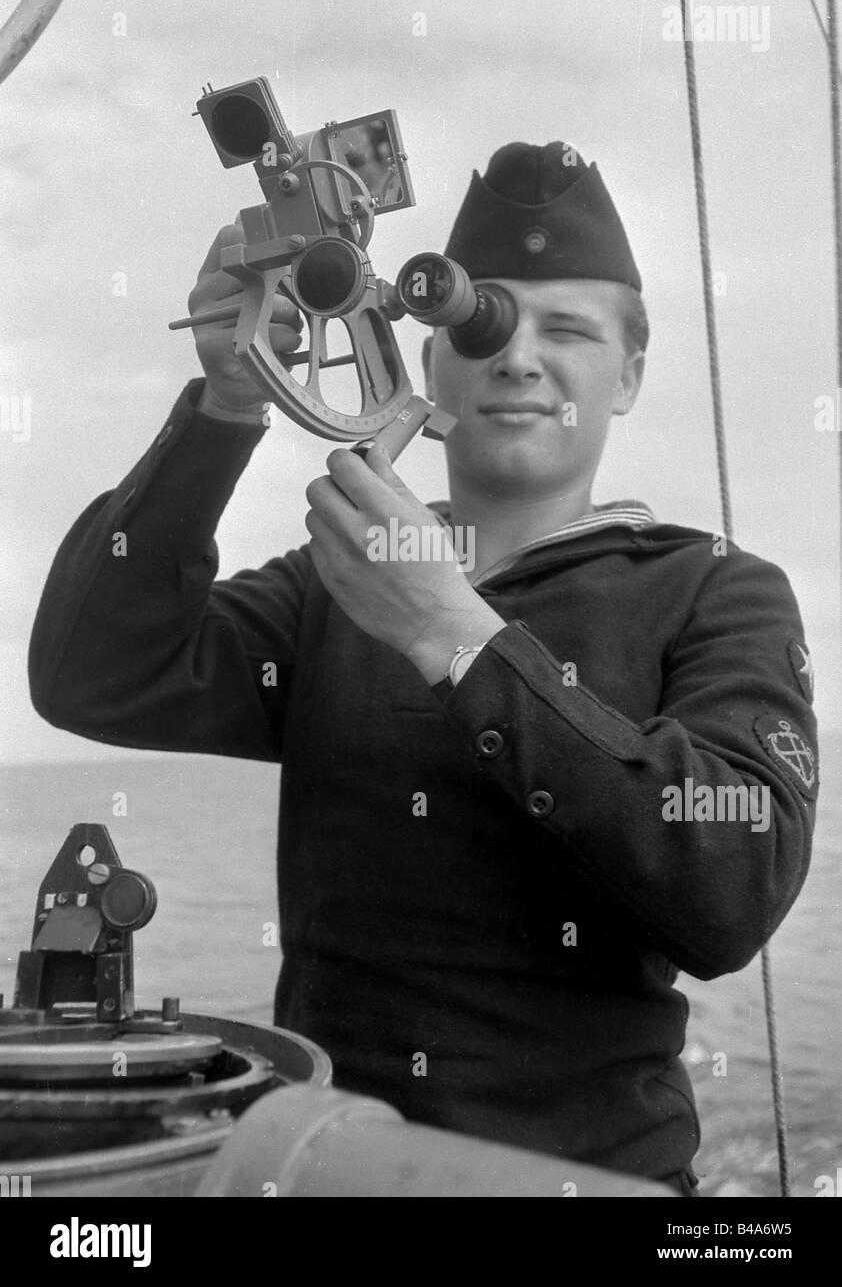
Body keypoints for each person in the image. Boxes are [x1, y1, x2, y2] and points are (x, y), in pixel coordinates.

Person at [28, 142, 818, 1197]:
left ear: (627, 375)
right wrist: (223, 404)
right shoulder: (333, 584)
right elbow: (95, 671)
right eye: (479, 320)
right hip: (327, 1166)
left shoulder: (714, 590)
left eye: (569, 329)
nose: (518, 356)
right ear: (428, 360)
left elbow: (727, 888)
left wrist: (455, 638)